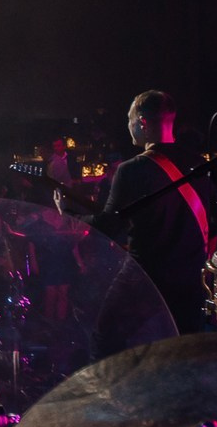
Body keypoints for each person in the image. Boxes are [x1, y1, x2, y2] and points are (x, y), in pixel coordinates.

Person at [63, 89, 209, 334]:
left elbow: (108, 225)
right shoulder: (199, 164)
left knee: (106, 336)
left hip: (147, 275)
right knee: (184, 346)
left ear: (142, 123)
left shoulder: (132, 169)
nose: (128, 127)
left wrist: (70, 216)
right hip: (190, 276)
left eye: (129, 121)